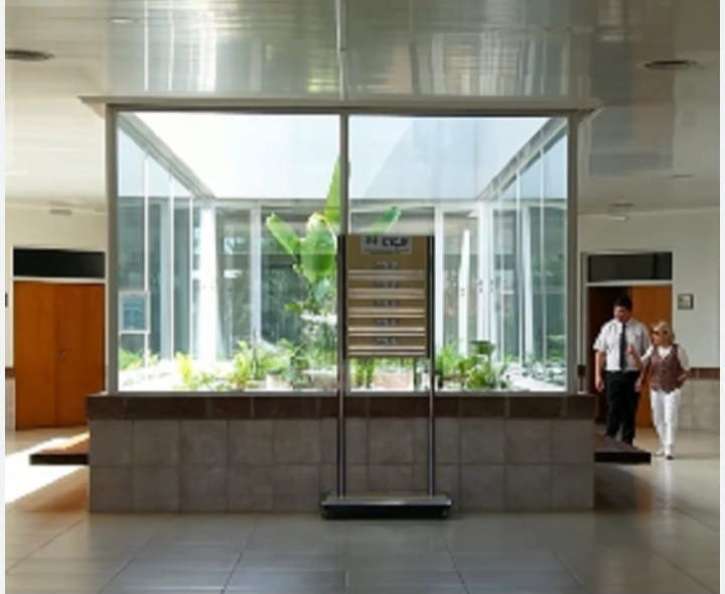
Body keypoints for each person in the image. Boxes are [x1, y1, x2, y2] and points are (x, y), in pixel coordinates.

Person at [593, 296, 651, 445]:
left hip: (632, 374)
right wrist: (598, 376)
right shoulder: (608, 328)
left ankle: (627, 442)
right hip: (613, 374)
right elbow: (600, 353)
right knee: (613, 408)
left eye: (622, 311)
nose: (618, 315)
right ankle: (609, 440)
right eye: (616, 311)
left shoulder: (640, 328)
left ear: (630, 311)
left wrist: (642, 378)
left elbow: (648, 356)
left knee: (629, 410)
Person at [632, 321, 689, 460]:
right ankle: (663, 444)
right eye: (654, 333)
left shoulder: (678, 350)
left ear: (666, 334)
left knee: (670, 418)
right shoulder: (652, 349)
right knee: (657, 419)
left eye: (656, 333)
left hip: (672, 389)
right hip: (656, 388)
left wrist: (679, 383)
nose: (654, 336)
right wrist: (634, 355)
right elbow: (641, 364)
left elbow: (686, 369)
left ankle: (669, 447)